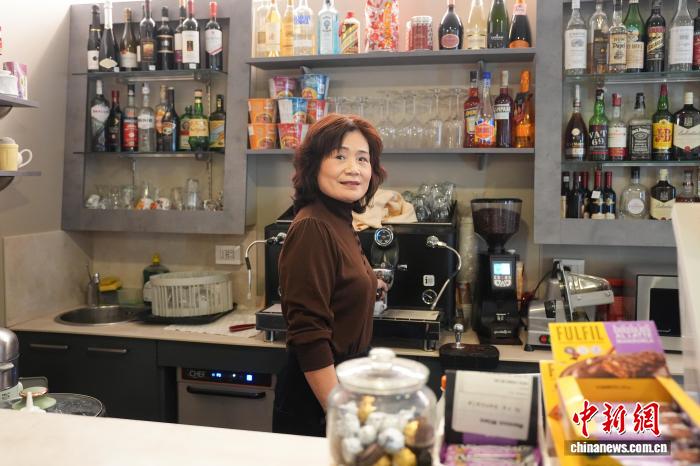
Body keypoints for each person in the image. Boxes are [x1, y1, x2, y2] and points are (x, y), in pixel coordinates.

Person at [272, 113, 388, 437]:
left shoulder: (338, 218)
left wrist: (369, 283)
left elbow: (335, 278)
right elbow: (309, 333)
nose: (354, 168)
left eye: (362, 159)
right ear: (314, 165)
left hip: (344, 383)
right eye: (339, 156)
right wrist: (341, 412)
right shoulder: (313, 226)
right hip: (317, 401)